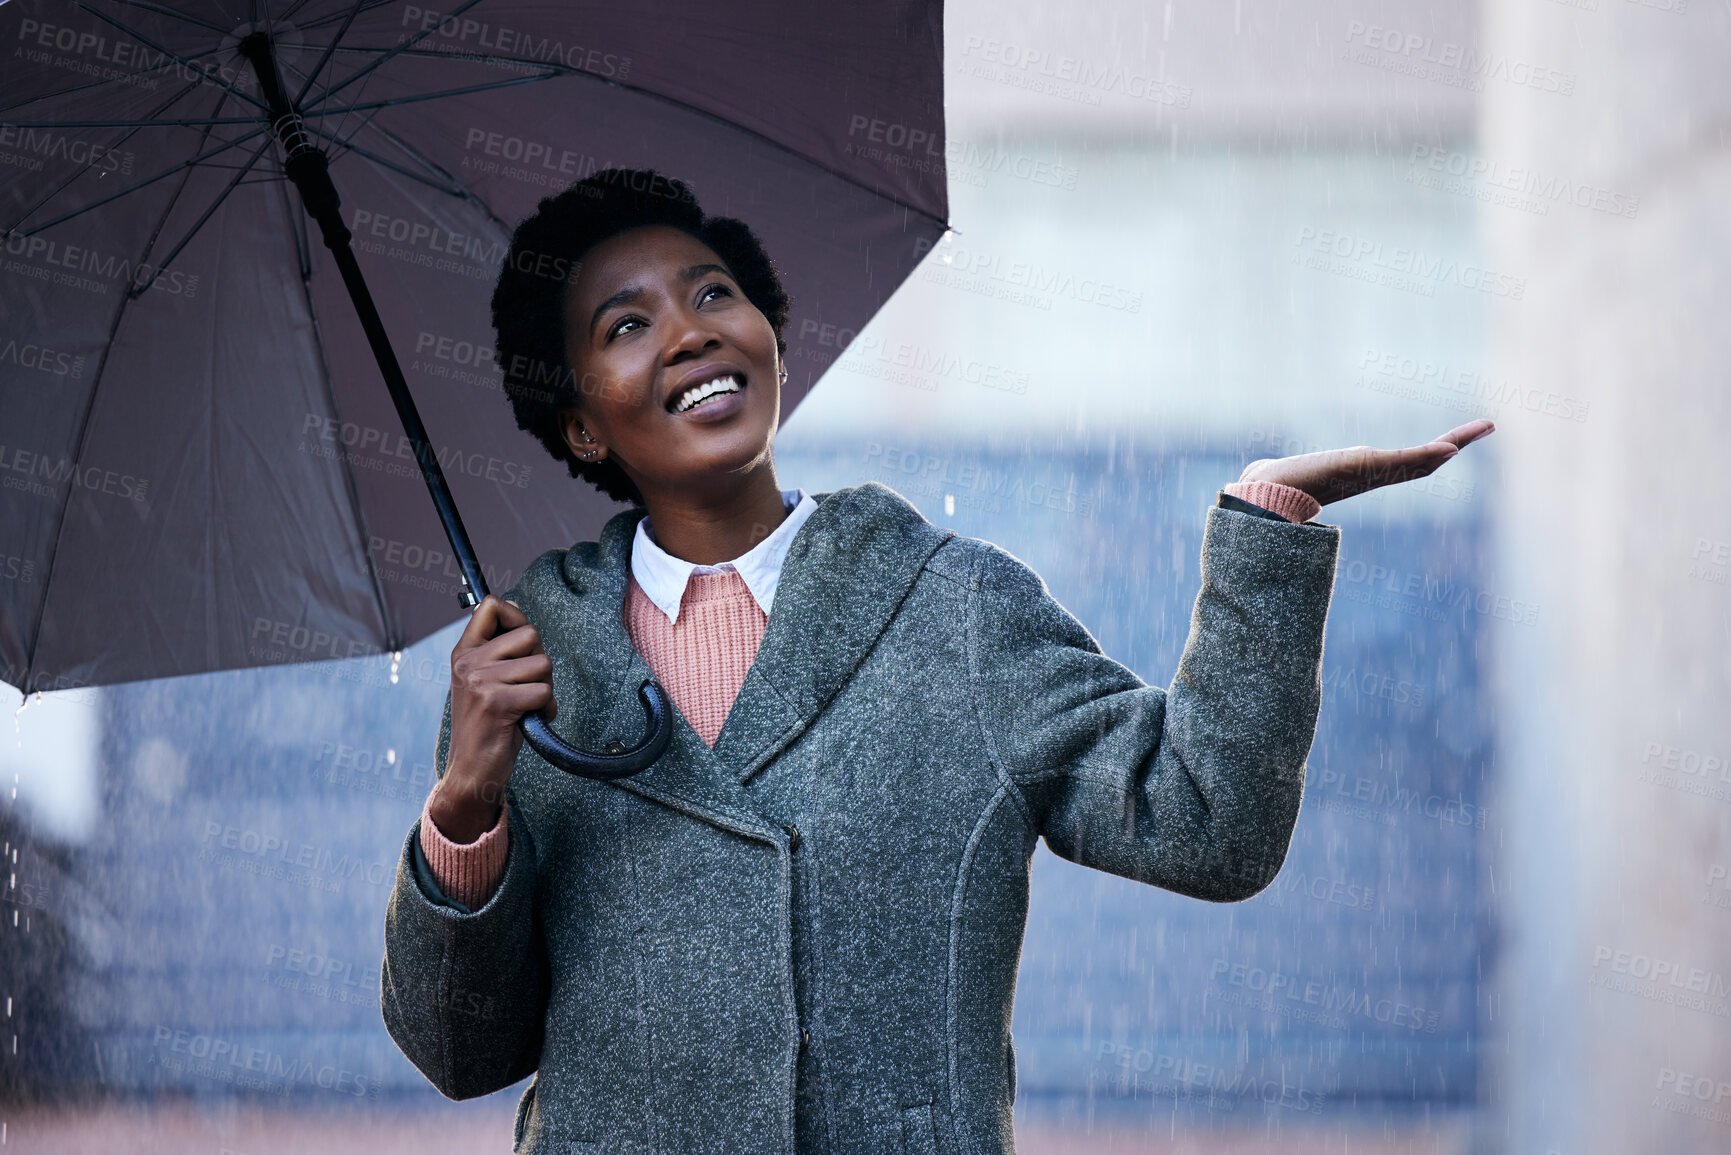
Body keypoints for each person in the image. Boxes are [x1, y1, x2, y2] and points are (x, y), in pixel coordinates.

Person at [379, 168, 1492, 1153]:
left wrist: (1268, 521)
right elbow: (458, 1052)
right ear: (581, 427)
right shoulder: (525, 660)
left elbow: (1209, 823)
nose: (689, 331)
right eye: (627, 326)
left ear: (770, 334)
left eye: (715, 292)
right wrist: (468, 801)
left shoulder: (954, 605)